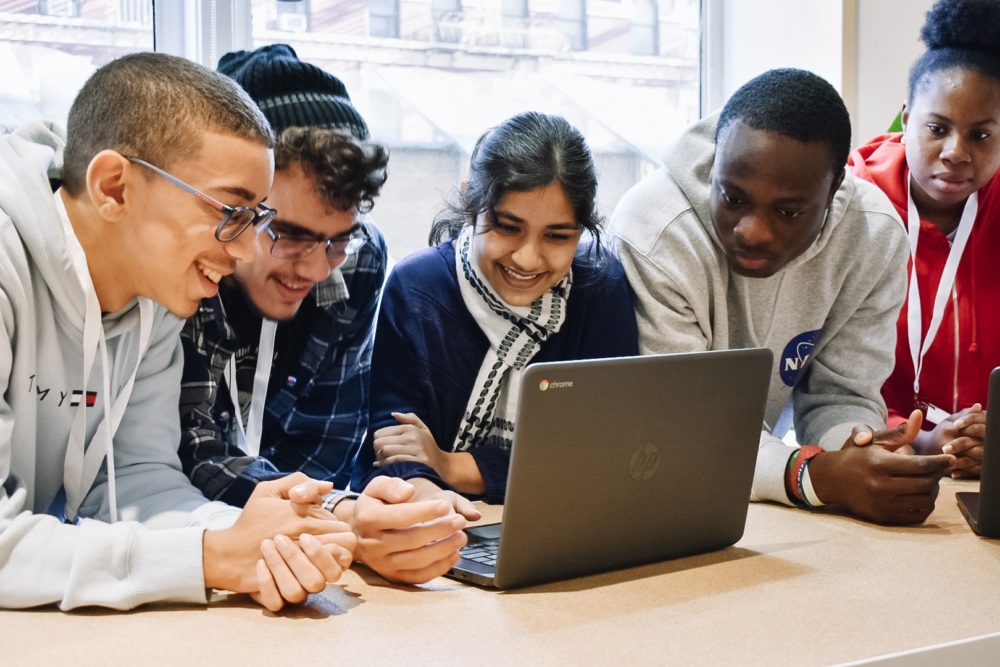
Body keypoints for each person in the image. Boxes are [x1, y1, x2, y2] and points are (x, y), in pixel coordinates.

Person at [0, 52, 359, 612]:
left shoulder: (156, 294)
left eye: (257, 221)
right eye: (231, 212)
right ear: (114, 187)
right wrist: (211, 557)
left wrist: (266, 539)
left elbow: (139, 480)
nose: (242, 251)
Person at [178, 44, 477, 585]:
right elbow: (193, 452)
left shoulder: (359, 261)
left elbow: (328, 441)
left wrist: (347, 518)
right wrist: (343, 517)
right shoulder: (185, 270)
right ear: (236, 205)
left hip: (296, 550)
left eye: (337, 238)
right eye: (290, 235)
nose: (315, 268)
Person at [610, 68, 955, 525]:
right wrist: (816, 475)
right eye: (732, 198)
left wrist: (861, 448)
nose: (751, 230)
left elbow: (841, 395)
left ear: (834, 192)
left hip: (755, 507)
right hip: (649, 500)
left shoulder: (872, 235)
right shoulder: (655, 233)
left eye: (788, 211)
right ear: (714, 167)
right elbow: (683, 430)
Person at [352, 111, 640, 503]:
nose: (527, 258)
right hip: (441, 517)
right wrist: (427, 493)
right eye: (507, 227)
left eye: (557, 236)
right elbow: (395, 447)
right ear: (473, 204)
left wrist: (452, 465)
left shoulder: (599, 289)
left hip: (562, 517)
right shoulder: (415, 290)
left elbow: (603, 454)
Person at [848, 0, 1000, 478]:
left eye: (981, 135)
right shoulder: (849, 208)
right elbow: (828, 379)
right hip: (882, 462)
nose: (956, 153)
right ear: (906, 118)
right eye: (937, 128)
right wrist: (919, 437)